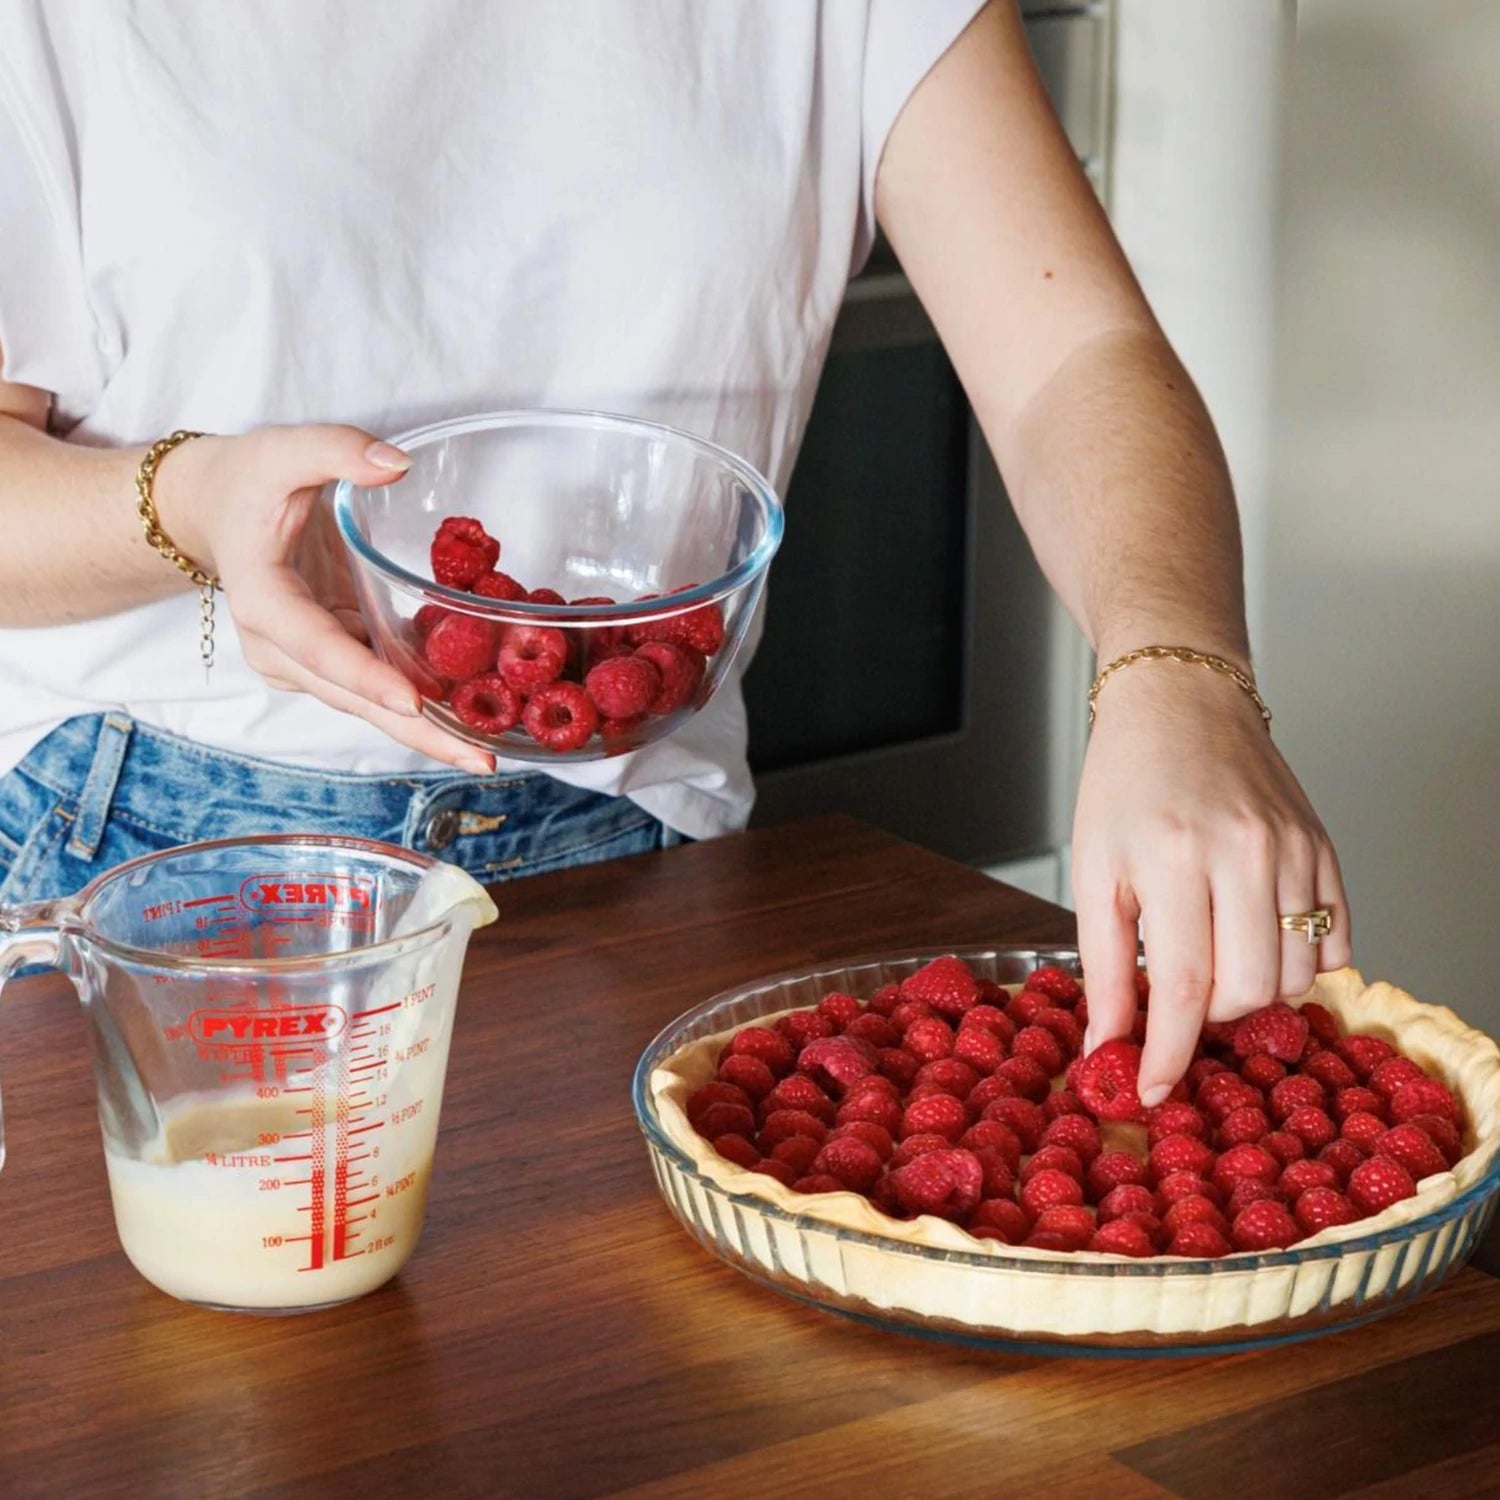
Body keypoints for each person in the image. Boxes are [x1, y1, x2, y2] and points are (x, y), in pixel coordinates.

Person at [0, 1, 1349, 1100]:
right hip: (150, 859)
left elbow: (1074, 356)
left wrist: (1180, 672)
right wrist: (190, 505)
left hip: (649, 851)